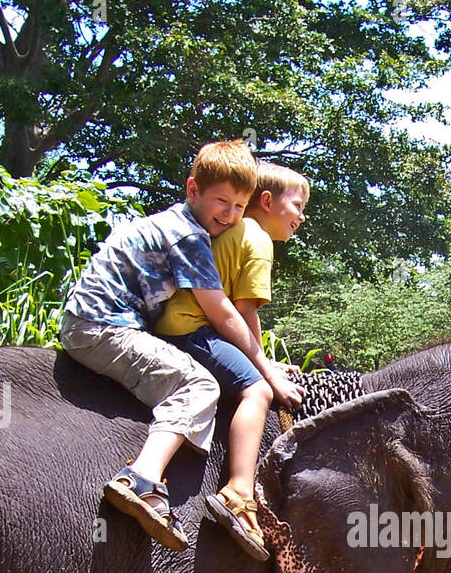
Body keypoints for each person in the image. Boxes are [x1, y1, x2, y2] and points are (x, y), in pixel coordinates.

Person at [60, 139, 302, 551]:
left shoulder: (180, 224)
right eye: (221, 202)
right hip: (102, 327)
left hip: (95, 320)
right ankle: (142, 477)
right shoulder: (189, 238)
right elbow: (222, 311)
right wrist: (265, 366)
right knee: (198, 385)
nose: (229, 215)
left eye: (239, 207)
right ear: (193, 190)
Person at [154, 162, 309, 559]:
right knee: (255, 392)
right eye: (297, 205)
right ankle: (239, 491)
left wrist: (267, 360)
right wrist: (267, 372)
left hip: (179, 323)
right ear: (268, 202)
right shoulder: (258, 241)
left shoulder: (238, 231)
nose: (302, 216)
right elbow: (244, 313)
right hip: (191, 330)